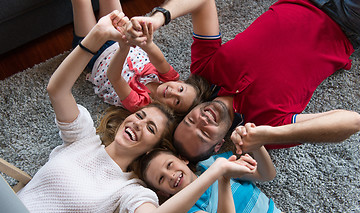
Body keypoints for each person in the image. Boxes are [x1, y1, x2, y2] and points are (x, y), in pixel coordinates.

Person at [16, 10, 263, 213]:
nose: (139, 124)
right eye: (141, 116)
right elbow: (57, 90)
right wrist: (97, 35)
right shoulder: (83, 138)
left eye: (151, 129)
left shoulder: (130, 192)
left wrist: (215, 173)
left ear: (152, 149)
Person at [126, 0, 360, 162]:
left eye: (190, 122)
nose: (202, 120)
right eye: (204, 134)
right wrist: (268, 136)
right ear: (219, 145)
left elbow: (203, 3)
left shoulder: (204, 70)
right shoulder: (266, 126)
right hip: (345, 24)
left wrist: (157, 20)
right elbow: (351, 122)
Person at [137, 149, 360, 213]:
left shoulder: (214, 162)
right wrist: (223, 179)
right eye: (161, 179)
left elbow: (267, 175)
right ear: (162, 192)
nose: (171, 175)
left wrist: (258, 145)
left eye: (169, 164)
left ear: (183, 159)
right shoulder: (184, 212)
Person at [71, 0, 211, 115]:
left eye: (177, 102)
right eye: (180, 89)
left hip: (96, 55)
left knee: (81, 3)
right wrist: (147, 43)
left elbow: (114, 77)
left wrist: (123, 46)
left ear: (170, 112)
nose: (173, 92)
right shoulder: (170, 78)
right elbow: (159, 60)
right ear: (180, 82)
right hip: (121, 37)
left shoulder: (141, 104)